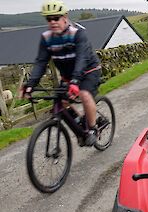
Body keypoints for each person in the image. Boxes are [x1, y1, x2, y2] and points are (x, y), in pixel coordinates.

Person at [21, 0, 102, 146]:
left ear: (65, 17)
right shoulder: (46, 38)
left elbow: (82, 58)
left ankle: (92, 129)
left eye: (56, 18)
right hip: (69, 76)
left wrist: (76, 81)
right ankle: (80, 123)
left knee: (84, 94)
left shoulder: (78, 34)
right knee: (61, 101)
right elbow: (41, 62)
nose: (53, 22)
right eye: (49, 19)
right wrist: (31, 84)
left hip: (89, 70)